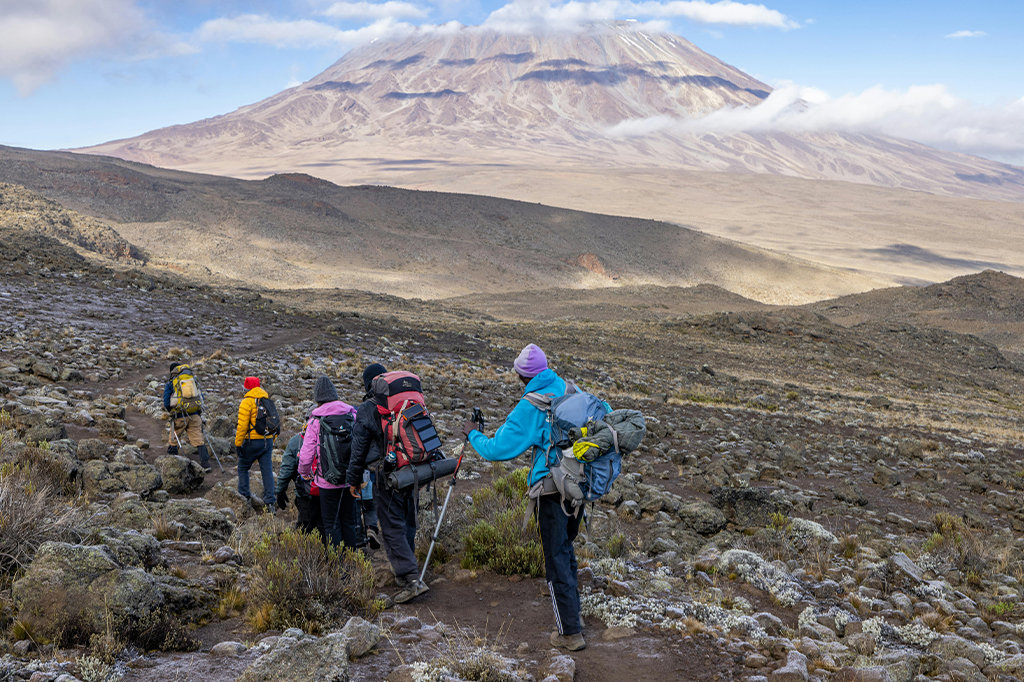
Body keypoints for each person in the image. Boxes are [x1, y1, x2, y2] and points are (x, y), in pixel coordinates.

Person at [461, 343, 586, 651]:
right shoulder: (568, 387)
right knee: (566, 551)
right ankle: (575, 618)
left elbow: (497, 449)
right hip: (579, 484)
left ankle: (570, 633)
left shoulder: (531, 405)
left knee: (555, 558)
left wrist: (473, 434)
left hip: (551, 488)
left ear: (522, 375)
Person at [347, 363, 427, 604]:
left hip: (387, 476)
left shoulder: (368, 410)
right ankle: (408, 564)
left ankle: (411, 578)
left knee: (391, 527)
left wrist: (353, 479)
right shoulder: (403, 404)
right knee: (408, 518)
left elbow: (358, 449)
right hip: (414, 470)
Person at [297, 376, 360, 548]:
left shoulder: (315, 420)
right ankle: (352, 565)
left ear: (317, 398)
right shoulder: (352, 415)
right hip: (350, 480)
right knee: (349, 521)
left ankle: (336, 566)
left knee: (331, 524)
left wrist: (304, 473)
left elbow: (306, 455)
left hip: (326, 482)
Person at [235, 376, 276, 510]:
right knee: (267, 470)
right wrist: (271, 440)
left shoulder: (247, 402)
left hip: (253, 442)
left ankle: (244, 497)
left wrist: (238, 444)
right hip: (267, 441)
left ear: (247, 388)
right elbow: (274, 423)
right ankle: (270, 503)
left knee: (243, 467)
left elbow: (242, 427)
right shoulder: (267, 400)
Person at [276, 430, 325, 539]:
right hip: (328, 493)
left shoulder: (297, 441)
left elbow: (287, 470)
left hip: (305, 494)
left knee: (305, 527)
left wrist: (280, 490)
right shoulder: (332, 436)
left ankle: (304, 552)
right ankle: (329, 553)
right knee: (325, 527)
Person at [163, 363, 211, 472]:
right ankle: (205, 464)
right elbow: (200, 397)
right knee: (198, 439)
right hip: (194, 415)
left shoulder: (171, 383)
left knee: (174, 439)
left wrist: (171, 412)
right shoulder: (192, 381)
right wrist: (197, 412)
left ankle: (173, 464)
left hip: (179, 416)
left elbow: (166, 402)